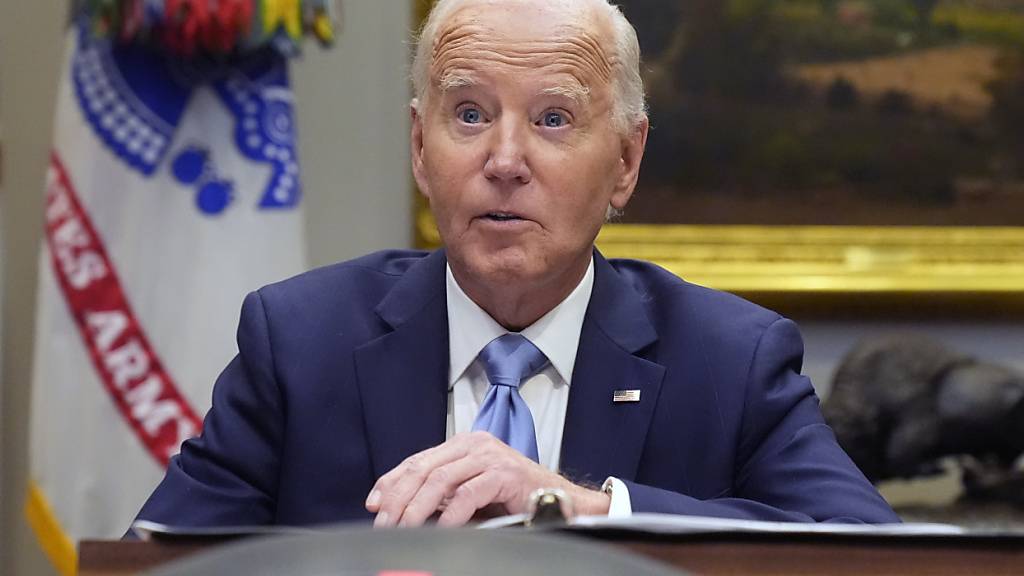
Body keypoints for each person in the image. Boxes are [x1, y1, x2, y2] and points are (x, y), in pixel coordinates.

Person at [134, 0, 899, 529]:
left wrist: (581, 506)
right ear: (418, 148)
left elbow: (872, 555)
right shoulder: (300, 341)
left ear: (626, 160)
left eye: (553, 119)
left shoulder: (729, 360)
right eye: (469, 114)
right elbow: (159, 561)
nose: (504, 160)